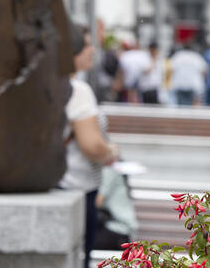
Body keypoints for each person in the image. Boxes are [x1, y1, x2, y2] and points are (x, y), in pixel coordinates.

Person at [60, 23, 121, 267]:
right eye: (85, 45)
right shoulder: (77, 90)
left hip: (56, 184)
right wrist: (112, 151)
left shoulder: (48, 87)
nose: (92, 50)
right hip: (78, 187)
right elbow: (92, 146)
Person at [94, 166, 138, 250]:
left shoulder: (109, 170)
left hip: (119, 229)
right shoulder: (107, 169)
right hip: (111, 227)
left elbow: (97, 202)